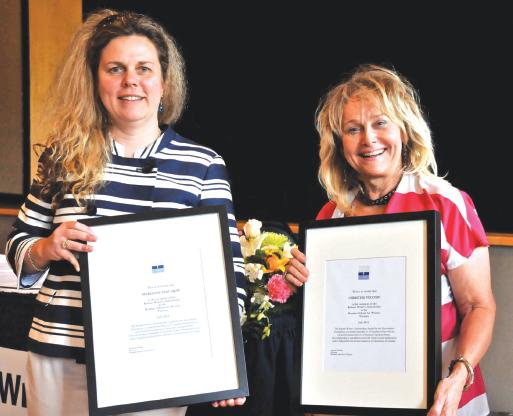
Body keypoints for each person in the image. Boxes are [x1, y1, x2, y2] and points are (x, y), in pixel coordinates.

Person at [5, 9, 246, 416]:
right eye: (115, 69)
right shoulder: (63, 156)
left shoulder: (203, 164)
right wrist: (46, 247)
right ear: (96, 81)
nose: (130, 80)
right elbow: (18, 246)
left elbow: (228, 276)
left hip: (158, 360)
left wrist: (224, 366)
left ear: (164, 82)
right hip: (61, 350)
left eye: (143, 68)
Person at [284, 64, 496, 416]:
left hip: (441, 404)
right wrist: (299, 283)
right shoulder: (330, 217)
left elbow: (478, 306)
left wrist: (459, 374)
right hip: (353, 403)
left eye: (380, 123)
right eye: (353, 129)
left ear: (404, 129)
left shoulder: (445, 203)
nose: (368, 139)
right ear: (340, 144)